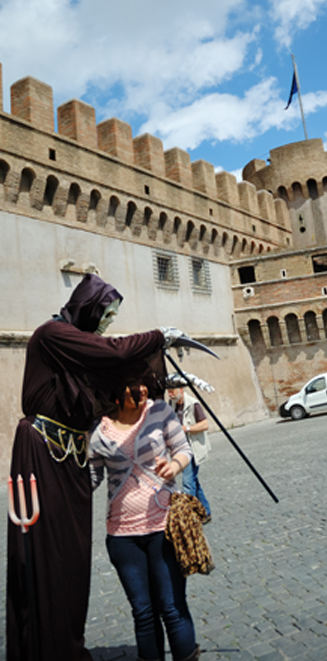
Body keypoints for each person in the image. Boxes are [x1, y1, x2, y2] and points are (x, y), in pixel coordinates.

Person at [6, 273, 187, 661]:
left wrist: (158, 377)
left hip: (70, 461)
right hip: (43, 454)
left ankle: (67, 644)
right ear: (87, 307)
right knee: (48, 556)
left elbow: (114, 382)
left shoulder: (74, 356)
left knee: (72, 561)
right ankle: (47, 649)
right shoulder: (51, 334)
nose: (107, 324)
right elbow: (116, 352)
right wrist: (159, 337)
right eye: (105, 314)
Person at [88, 378, 200, 661]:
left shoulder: (160, 411)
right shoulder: (98, 429)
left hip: (163, 526)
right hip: (122, 535)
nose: (141, 390)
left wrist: (174, 465)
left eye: (143, 384)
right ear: (116, 388)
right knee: (143, 612)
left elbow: (184, 449)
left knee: (172, 607)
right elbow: (92, 478)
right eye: (132, 385)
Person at [168, 385, 211, 522]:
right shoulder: (172, 405)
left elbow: (205, 425)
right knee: (193, 481)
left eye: (172, 391)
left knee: (187, 483)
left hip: (193, 448)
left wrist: (186, 428)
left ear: (181, 390)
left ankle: (187, 518)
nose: (170, 394)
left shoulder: (193, 404)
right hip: (180, 449)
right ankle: (206, 512)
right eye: (168, 392)